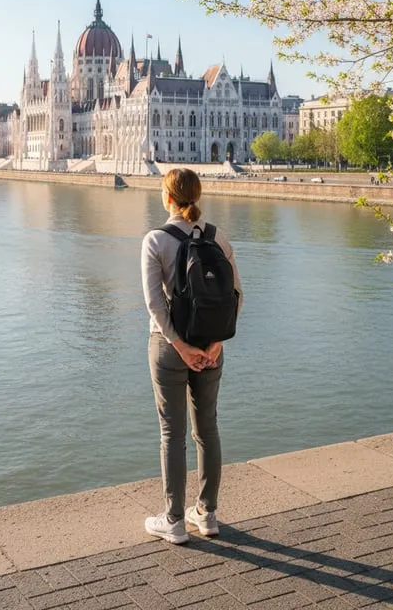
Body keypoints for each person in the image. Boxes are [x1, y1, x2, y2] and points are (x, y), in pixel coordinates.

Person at [140, 168, 243, 544]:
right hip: (211, 349)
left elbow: (154, 304)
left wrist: (180, 346)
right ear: (197, 197)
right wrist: (214, 344)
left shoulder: (155, 240)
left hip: (169, 349)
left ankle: (173, 520)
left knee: (172, 434)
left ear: (167, 198)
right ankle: (208, 513)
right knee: (208, 429)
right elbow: (236, 296)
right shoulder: (219, 237)